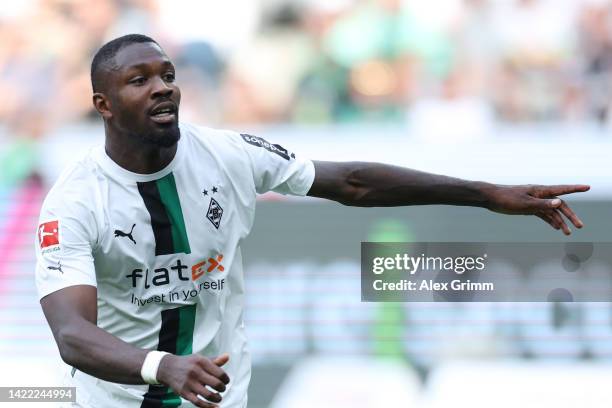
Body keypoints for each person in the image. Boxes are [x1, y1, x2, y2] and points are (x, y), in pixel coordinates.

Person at [35, 34, 589, 408]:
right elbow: (73, 334)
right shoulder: (75, 202)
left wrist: (487, 194)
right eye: (139, 80)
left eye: (168, 75)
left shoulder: (228, 155)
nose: (163, 87)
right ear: (102, 105)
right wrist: (165, 367)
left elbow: (351, 181)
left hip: (218, 400)